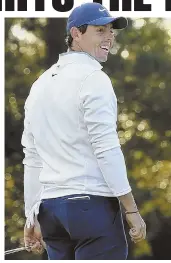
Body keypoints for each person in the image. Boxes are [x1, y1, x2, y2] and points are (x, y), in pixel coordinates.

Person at [22, 2, 146, 260]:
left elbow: (32, 157)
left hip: (51, 211)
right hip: (91, 208)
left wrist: (31, 215)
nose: (110, 36)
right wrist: (131, 210)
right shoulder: (95, 79)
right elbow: (106, 148)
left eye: (111, 31)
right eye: (100, 30)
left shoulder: (39, 85)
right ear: (75, 34)